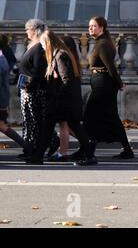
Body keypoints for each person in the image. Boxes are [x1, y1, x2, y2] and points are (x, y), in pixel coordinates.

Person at [27, 30, 95, 165]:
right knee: (54, 127)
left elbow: (66, 80)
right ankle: (38, 157)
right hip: (62, 100)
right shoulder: (59, 54)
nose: (43, 48)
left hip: (62, 102)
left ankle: (89, 155)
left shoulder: (60, 56)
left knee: (71, 127)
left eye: (43, 45)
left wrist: (57, 97)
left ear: (48, 43)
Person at [80, 16, 134, 163]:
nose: (91, 28)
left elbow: (110, 67)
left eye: (94, 26)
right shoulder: (102, 42)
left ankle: (87, 153)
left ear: (102, 27)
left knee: (90, 117)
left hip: (103, 85)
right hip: (103, 83)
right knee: (108, 117)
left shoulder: (102, 44)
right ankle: (126, 150)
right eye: (89, 26)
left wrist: (119, 83)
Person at [18, 19, 59, 160]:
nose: (26, 32)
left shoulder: (38, 48)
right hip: (26, 88)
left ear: (34, 30)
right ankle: (30, 148)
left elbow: (38, 70)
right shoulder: (32, 46)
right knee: (29, 120)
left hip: (33, 90)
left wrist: (30, 87)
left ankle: (45, 144)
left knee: (35, 121)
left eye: (27, 29)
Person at [0, 35, 31, 155]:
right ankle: (27, 146)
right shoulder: (3, 57)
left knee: (2, 126)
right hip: (3, 98)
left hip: (1, 99)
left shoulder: (1, 60)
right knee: (2, 126)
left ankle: (27, 146)